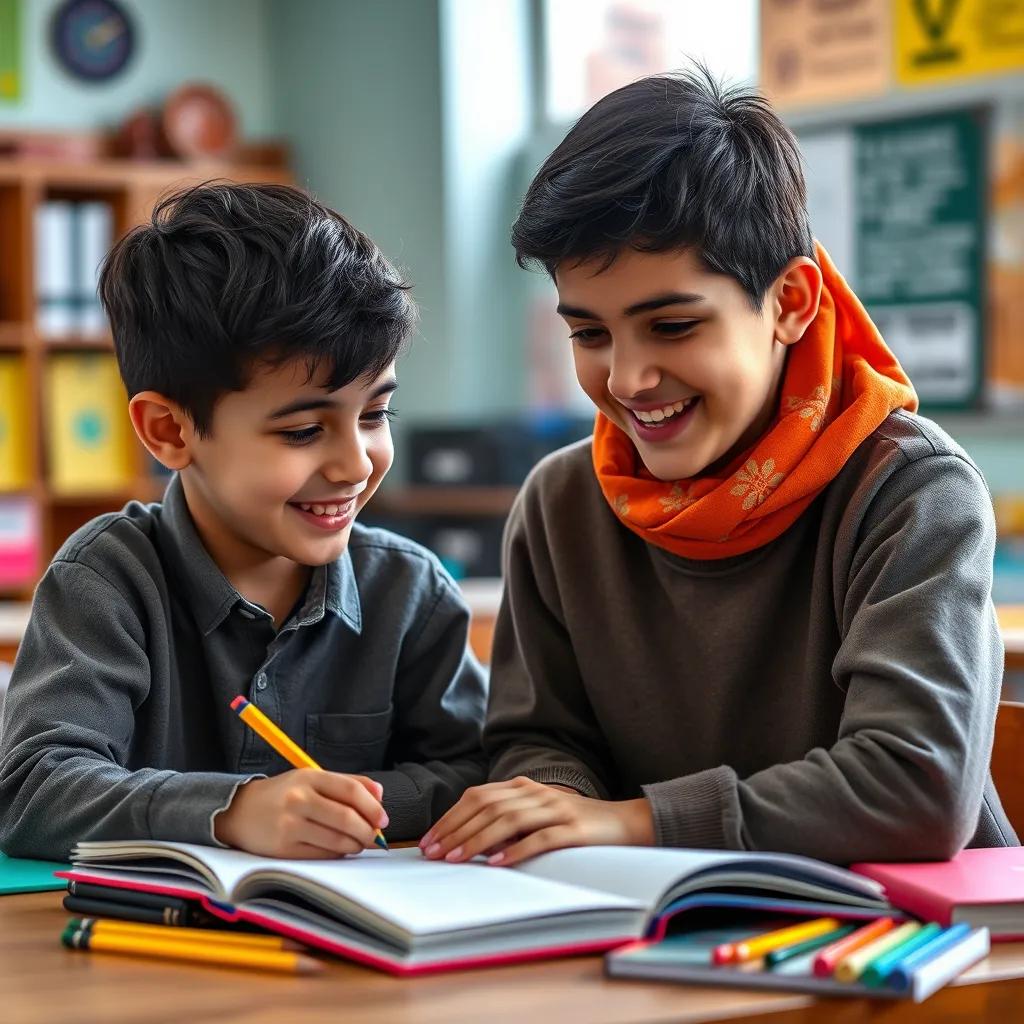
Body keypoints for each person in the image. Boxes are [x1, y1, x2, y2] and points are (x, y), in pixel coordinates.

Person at [421, 68, 1017, 867]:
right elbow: (541, 740)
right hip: (662, 924)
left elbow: (915, 785)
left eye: (670, 325)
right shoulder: (562, 501)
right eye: (590, 335)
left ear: (791, 303)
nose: (627, 379)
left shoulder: (910, 491)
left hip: (909, 954)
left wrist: (635, 823)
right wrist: (554, 804)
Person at [0, 183, 487, 861]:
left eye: (375, 415)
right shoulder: (106, 581)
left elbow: (480, 773)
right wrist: (231, 812)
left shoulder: (410, 592)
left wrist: (350, 807)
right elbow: (31, 788)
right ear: (170, 431)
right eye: (303, 431)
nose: (355, 463)